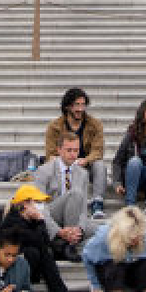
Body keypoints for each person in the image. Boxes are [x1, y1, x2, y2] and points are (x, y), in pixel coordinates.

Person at [0, 184, 71, 292]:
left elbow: (45, 243)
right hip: (5, 270)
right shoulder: (13, 222)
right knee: (36, 252)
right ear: (25, 204)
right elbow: (38, 240)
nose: (40, 206)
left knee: (42, 252)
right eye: (36, 202)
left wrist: (39, 222)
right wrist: (41, 221)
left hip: (25, 266)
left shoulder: (30, 221)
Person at [43, 88, 108, 219]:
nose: (80, 109)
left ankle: (97, 203)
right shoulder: (54, 126)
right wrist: (67, 160)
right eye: (76, 105)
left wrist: (86, 160)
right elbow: (50, 153)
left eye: (83, 105)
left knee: (100, 165)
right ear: (67, 106)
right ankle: (61, 202)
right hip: (64, 164)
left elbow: (98, 151)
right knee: (52, 164)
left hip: (85, 165)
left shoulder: (95, 124)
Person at [31, 135, 93, 250]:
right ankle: (69, 245)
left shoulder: (83, 174)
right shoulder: (43, 171)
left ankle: (71, 240)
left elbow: (83, 209)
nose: (73, 154)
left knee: (105, 231)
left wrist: (80, 229)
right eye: (69, 150)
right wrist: (58, 231)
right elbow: (40, 208)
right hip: (52, 216)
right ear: (59, 150)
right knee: (75, 193)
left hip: (73, 219)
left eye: (76, 150)